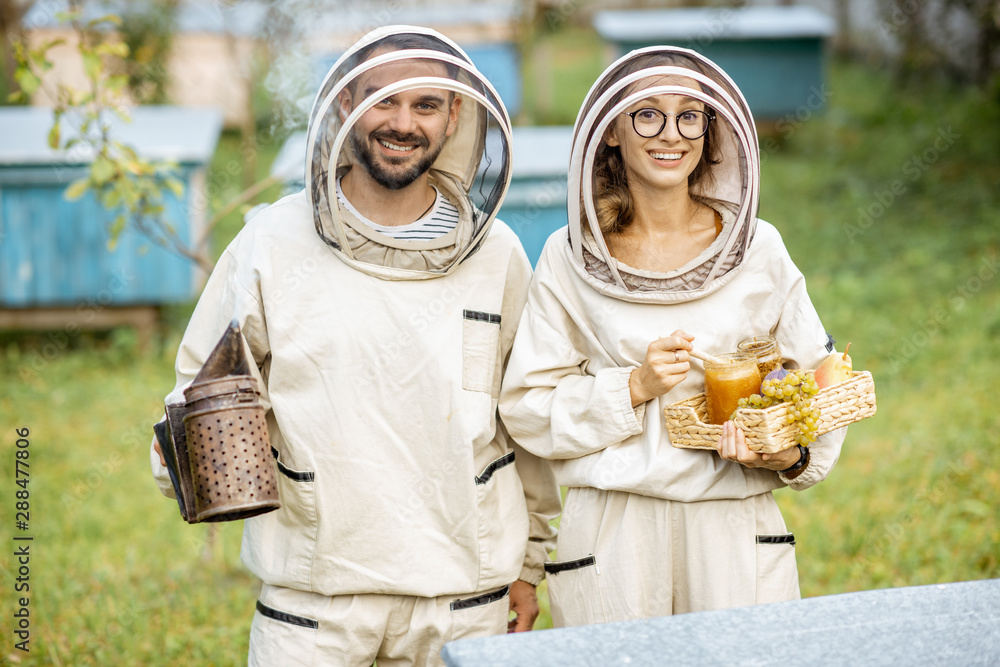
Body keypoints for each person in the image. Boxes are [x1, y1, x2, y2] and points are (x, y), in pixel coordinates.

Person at [150, 26, 560, 665]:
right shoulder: (271, 243)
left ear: (456, 115)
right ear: (344, 104)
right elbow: (201, 392)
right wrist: (195, 455)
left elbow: (526, 417)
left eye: (426, 104)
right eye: (383, 99)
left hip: (462, 597)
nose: (403, 122)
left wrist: (531, 561)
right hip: (313, 603)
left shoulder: (498, 254)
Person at [498, 46, 847, 626]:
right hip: (613, 533)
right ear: (611, 130)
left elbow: (821, 387)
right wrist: (630, 387)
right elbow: (527, 408)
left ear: (710, 131)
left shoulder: (758, 249)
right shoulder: (567, 257)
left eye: (690, 115)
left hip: (731, 530)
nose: (671, 134)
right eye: (647, 114)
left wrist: (787, 450)